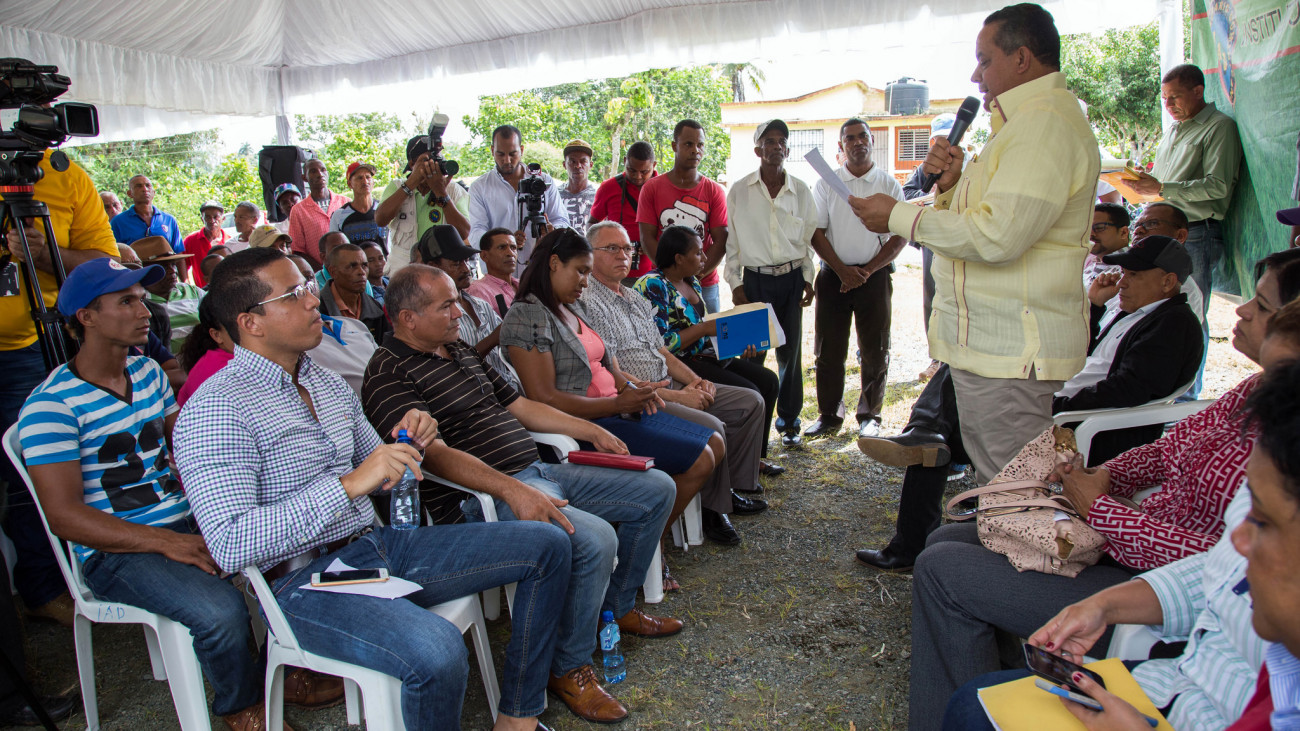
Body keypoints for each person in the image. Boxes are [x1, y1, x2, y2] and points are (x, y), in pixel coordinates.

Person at [173, 247, 569, 731]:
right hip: (299, 585)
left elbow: (383, 471)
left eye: (307, 287)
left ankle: (517, 720)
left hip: (373, 547)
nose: (314, 300)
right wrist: (349, 485)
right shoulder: (217, 409)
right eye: (295, 293)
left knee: (548, 543)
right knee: (438, 649)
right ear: (251, 322)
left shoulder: (323, 381)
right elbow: (231, 543)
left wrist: (409, 441)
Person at [903, 249, 1300, 731]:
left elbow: (1210, 556)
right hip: (1136, 562)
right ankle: (999, 671)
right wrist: (1104, 476)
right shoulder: (1253, 393)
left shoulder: (1274, 442)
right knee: (951, 540)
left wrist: (1101, 508)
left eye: (1261, 305)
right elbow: (1173, 463)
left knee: (943, 570)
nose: (1241, 310)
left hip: (1137, 558)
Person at [16, 257, 344, 730]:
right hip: (117, 549)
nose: (144, 308)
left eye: (142, 296)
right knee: (220, 610)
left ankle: (285, 664)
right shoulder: (51, 405)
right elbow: (64, 517)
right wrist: (168, 542)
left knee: (284, 537)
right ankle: (242, 705)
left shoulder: (148, 372)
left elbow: (188, 447)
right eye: (126, 300)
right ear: (86, 318)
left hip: (187, 517)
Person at [363, 264, 680, 724]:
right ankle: (569, 666)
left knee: (656, 488)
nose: (461, 310)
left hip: (537, 468)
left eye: (458, 299)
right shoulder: (388, 370)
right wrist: (513, 490)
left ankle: (616, 609)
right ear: (408, 318)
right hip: (484, 495)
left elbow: (519, 405)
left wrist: (591, 429)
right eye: (446, 304)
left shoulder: (458, 350)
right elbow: (431, 457)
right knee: (593, 539)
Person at [847, 3, 1099, 489]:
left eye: (984, 60)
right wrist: (950, 186)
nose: (974, 74)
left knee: (1019, 497)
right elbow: (980, 219)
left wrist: (898, 216)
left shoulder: (1043, 126)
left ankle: (1022, 564)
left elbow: (997, 236)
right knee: (1002, 485)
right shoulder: (1018, 128)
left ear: (1022, 59)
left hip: (1010, 353)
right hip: (990, 349)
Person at [856, 235, 1205, 574]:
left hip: (1084, 425)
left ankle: (923, 452)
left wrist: (1058, 401)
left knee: (955, 402)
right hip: (1064, 400)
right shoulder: (1139, 311)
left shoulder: (1173, 324)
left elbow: (1129, 389)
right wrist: (1096, 305)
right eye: (1124, 273)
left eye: (1134, 276)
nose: (1123, 282)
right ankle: (927, 439)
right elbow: (1086, 354)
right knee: (963, 373)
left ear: (1168, 281)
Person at [502, 229, 723, 534]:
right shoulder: (528, 315)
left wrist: (632, 390)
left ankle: (646, 536)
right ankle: (647, 544)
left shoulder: (571, 305)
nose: (585, 282)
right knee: (701, 458)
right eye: (581, 271)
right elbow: (544, 398)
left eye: (588, 273)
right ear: (554, 263)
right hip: (586, 423)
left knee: (713, 441)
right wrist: (618, 402)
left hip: (617, 409)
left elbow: (609, 363)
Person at [577, 221, 769, 546]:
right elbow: (613, 372)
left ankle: (731, 489)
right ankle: (712, 509)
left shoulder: (632, 296)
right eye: (612, 248)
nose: (623, 255)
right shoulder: (587, 303)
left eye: (627, 248)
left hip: (673, 383)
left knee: (751, 401)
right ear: (589, 255)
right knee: (713, 428)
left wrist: (697, 381)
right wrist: (679, 397)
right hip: (643, 397)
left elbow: (661, 350)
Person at [2, 147, 119, 628]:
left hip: (33, 346)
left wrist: (47, 254)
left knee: (35, 474)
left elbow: (104, 263)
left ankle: (47, 586)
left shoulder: (57, 170)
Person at [635, 225, 784, 478]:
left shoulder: (690, 280)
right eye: (698, 253)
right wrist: (704, 329)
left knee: (768, 381)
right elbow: (660, 342)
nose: (705, 258)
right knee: (752, 392)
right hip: (681, 363)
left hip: (708, 355)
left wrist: (738, 343)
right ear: (678, 258)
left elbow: (706, 330)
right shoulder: (653, 284)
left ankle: (754, 457)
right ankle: (737, 466)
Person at [1118, 63, 1243, 327]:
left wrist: (1162, 188)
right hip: (1158, 230)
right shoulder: (1173, 130)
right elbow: (1162, 183)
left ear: (1198, 91)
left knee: (1190, 312)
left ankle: (1189, 369)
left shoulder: (1219, 127)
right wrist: (1142, 182)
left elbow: (1218, 185)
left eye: (1175, 97)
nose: (1168, 104)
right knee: (1157, 307)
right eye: (1164, 98)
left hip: (1195, 232)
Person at [806, 118, 907, 441]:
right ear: (841, 146)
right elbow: (816, 232)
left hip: (874, 278)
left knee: (876, 348)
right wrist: (843, 270)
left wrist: (868, 271)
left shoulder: (889, 185)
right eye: (850, 138)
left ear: (871, 140)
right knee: (829, 349)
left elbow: (900, 235)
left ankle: (870, 414)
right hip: (833, 277)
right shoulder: (826, 184)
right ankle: (829, 415)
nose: (857, 142)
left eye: (863, 136)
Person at [725, 119, 817, 447]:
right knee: (751, 354)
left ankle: (789, 422)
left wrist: (808, 277)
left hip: (791, 280)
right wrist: (736, 284)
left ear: (788, 149)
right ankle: (750, 421)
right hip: (755, 281)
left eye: (782, 141)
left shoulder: (801, 190)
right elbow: (731, 243)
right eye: (770, 141)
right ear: (757, 150)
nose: (776, 146)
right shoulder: (739, 190)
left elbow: (806, 240)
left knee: (790, 355)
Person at [637, 119, 729, 314]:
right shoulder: (651, 188)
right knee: (668, 341)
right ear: (674, 146)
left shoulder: (714, 191)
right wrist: (671, 276)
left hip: (705, 284)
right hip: (663, 284)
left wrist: (696, 275)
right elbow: (647, 237)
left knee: (711, 340)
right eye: (688, 144)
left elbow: (721, 240)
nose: (695, 150)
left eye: (700, 145)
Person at [417, 225, 521, 391]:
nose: (466, 269)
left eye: (466, 261)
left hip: (513, 390)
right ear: (433, 267)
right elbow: (452, 370)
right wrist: (495, 337)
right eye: (456, 263)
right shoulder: (433, 317)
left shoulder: (480, 305)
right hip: (481, 401)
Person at [467, 125, 570, 272]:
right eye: (500, 154)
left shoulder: (544, 182)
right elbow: (475, 232)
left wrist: (552, 231)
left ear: (521, 150)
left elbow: (562, 221)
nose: (507, 160)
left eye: (512, 154)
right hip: (498, 277)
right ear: (492, 150)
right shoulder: (479, 187)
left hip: (539, 273)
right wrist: (504, 242)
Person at [902, 113, 956, 381]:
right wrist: (932, 192)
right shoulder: (924, 169)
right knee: (933, 297)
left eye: (951, 138)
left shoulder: (972, 165)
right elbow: (908, 196)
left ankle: (956, 361)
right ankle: (937, 358)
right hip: (934, 243)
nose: (945, 144)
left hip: (961, 241)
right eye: (940, 139)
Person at [376, 135, 471, 274]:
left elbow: (463, 232)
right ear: (411, 164)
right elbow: (380, 219)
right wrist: (410, 184)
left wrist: (441, 193)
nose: (433, 166)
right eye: (426, 161)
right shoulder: (396, 187)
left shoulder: (453, 190)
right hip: (402, 271)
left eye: (437, 160)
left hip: (441, 272)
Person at [590, 140, 658, 282]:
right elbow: (592, 222)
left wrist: (652, 244)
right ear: (625, 161)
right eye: (632, 170)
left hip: (655, 275)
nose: (638, 176)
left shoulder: (663, 188)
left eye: (644, 172)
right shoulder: (609, 187)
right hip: (615, 275)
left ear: (654, 165)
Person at [133, 235, 203, 354]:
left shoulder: (193, 292)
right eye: (164, 267)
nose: (173, 271)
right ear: (145, 271)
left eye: (173, 264)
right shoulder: (138, 302)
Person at [317, 242, 389, 343]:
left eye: (364, 265)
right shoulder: (317, 309)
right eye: (352, 266)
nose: (361, 272)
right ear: (333, 272)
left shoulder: (375, 308)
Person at [288, 159, 349, 269]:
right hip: (320, 273)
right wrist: (323, 271)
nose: (320, 174)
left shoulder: (346, 203)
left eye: (323, 170)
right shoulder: (298, 210)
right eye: (313, 171)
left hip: (350, 268)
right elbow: (297, 250)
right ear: (304, 178)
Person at [109, 175, 183, 254]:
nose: (145, 189)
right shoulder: (118, 222)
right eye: (138, 186)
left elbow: (179, 254)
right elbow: (114, 255)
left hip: (166, 266)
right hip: (136, 266)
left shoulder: (169, 220)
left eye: (148, 186)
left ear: (153, 192)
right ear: (129, 193)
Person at [328, 161, 387, 252]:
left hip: (384, 265)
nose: (365, 181)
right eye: (359, 178)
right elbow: (334, 249)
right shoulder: (339, 216)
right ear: (349, 184)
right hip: (355, 265)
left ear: (373, 182)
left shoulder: (384, 209)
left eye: (368, 177)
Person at [465, 227, 520, 315]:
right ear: (484, 256)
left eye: (513, 248)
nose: (510, 253)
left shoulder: (525, 285)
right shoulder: (478, 290)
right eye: (502, 247)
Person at [181, 201, 227, 288]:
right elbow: (181, 264)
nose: (212, 220)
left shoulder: (229, 241)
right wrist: (187, 287)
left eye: (216, 217)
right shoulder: (191, 240)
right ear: (202, 219)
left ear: (223, 218)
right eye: (207, 217)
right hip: (202, 292)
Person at [558, 139, 598, 232]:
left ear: (591, 165)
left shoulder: (598, 197)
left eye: (583, 161)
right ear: (564, 165)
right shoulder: (555, 195)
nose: (578, 166)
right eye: (572, 161)